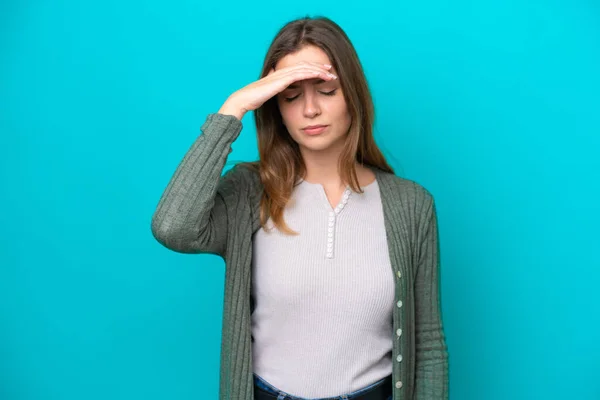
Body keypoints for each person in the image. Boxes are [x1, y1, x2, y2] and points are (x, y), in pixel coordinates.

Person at [151, 16, 448, 400]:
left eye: (326, 90)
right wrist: (234, 109)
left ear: (352, 95)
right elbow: (172, 227)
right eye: (291, 95)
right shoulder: (249, 192)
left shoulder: (412, 205)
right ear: (275, 106)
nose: (309, 109)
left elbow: (427, 345)